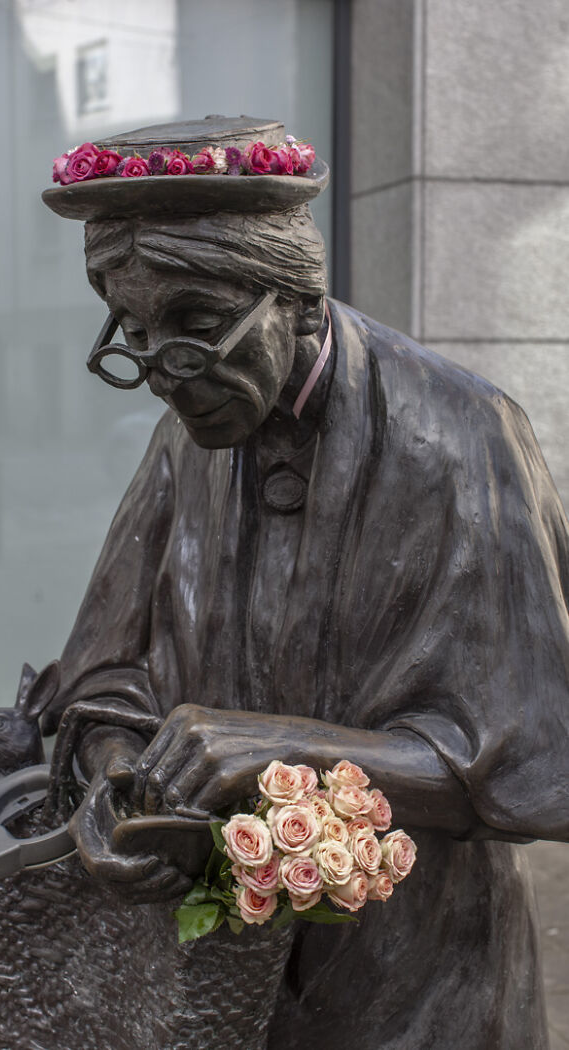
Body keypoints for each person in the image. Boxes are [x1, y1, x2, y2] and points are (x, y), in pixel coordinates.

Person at [41, 117, 568, 1049]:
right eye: (137, 335)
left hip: (423, 971)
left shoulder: (464, 437)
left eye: (197, 328)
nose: (165, 375)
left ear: (297, 301)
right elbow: (104, 677)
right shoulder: (184, 436)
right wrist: (118, 783)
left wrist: (281, 749)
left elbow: (538, 763)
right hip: (222, 978)